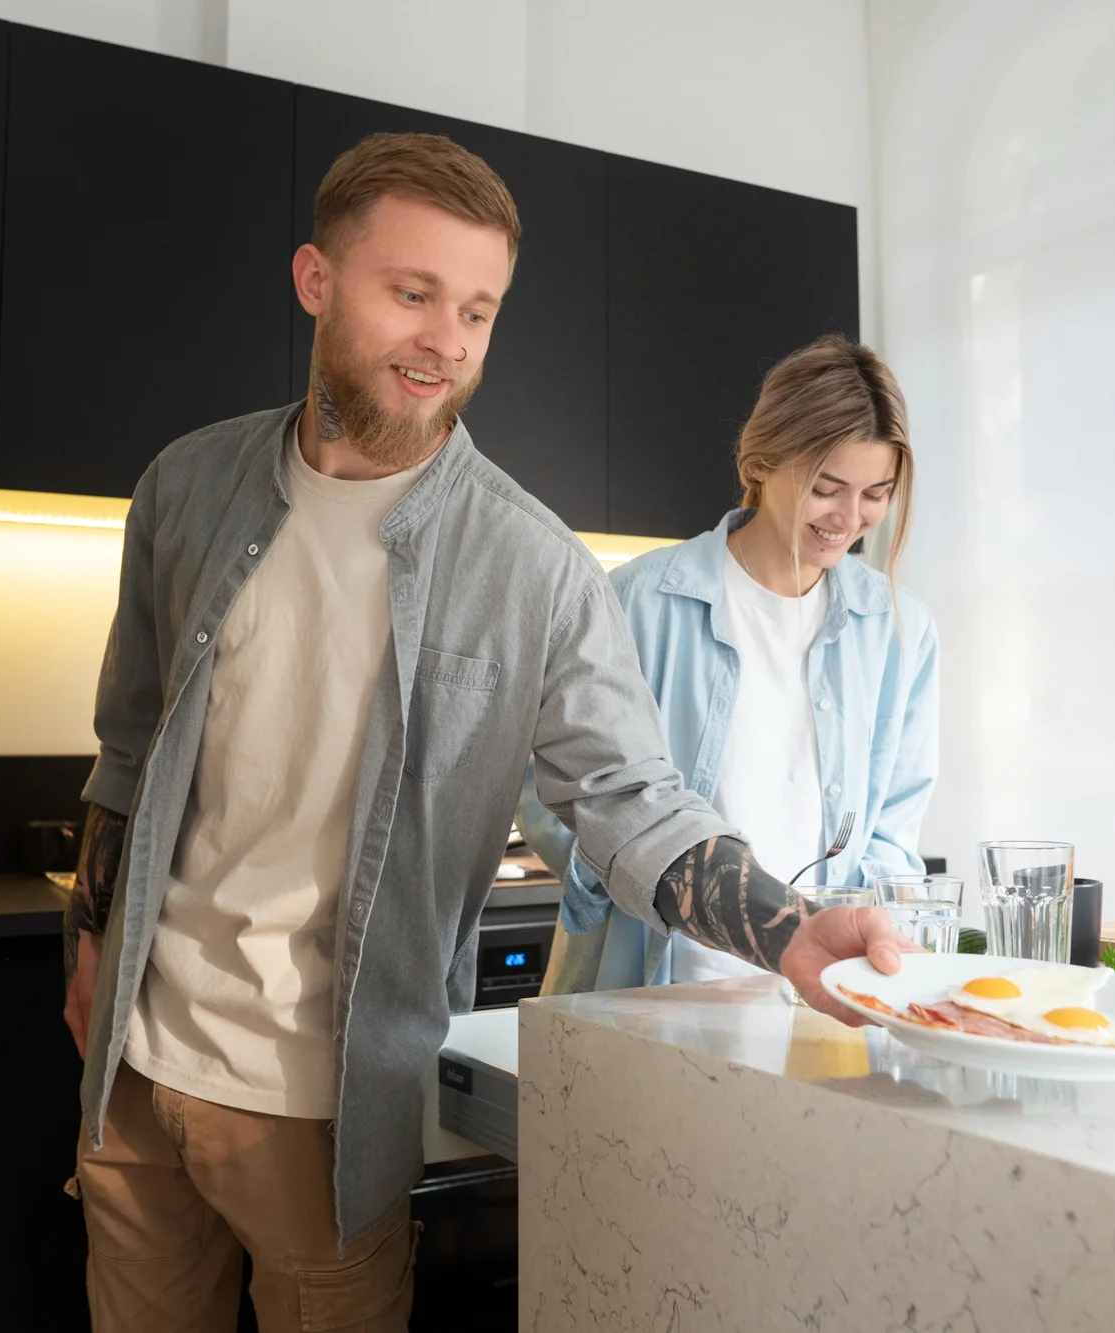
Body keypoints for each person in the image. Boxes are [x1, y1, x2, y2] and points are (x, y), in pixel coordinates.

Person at [55, 132, 906, 1333]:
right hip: (135, 1082)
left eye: (477, 309)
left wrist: (788, 929)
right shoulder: (186, 488)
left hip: (326, 1115)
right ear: (314, 281)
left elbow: (632, 799)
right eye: (411, 294)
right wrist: (89, 939)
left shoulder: (535, 568)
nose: (446, 341)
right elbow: (130, 744)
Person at [526, 336, 939, 994]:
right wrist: (629, 872)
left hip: (818, 992)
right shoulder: (637, 599)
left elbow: (894, 826)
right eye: (826, 488)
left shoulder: (899, 629)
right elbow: (552, 795)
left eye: (875, 494)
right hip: (648, 985)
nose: (849, 518)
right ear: (764, 458)